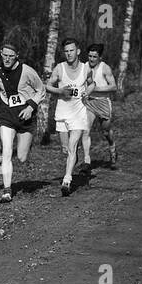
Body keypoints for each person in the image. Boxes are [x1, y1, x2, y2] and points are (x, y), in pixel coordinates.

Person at [0, 40, 46, 203]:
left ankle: (25, 146)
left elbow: (41, 90)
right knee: (7, 151)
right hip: (7, 116)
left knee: (22, 157)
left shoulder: (27, 71)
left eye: (11, 56)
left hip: (26, 116)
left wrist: (31, 107)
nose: (8, 59)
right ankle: (7, 191)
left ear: (16, 56)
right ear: (1, 54)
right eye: (5, 55)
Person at [45, 37, 92, 197]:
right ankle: (73, 160)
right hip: (62, 114)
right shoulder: (60, 68)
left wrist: (88, 92)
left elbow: (91, 83)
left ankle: (67, 180)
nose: (69, 53)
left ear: (78, 51)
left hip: (79, 114)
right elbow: (48, 86)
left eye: (72, 50)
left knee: (72, 147)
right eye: (66, 51)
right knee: (66, 150)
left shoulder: (86, 69)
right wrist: (61, 91)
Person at [81, 42, 118, 171]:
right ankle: (87, 160)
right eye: (89, 56)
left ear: (100, 57)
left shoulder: (105, 68)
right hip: (89, 102)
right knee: (85, 130)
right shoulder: (83, 67)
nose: (91, 59)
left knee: (106, 132)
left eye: (94, 57)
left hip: (103, 102)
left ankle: (112, 148)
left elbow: (113, 86)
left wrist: (96, 88)